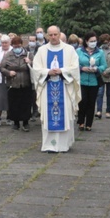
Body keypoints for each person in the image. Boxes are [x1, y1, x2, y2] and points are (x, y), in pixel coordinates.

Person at [32, 25, 81, 153]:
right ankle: (49, 145)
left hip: (64, 89)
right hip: (47, 87)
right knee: (49, 117)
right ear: (47, 36)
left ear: (60, 35)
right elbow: (36, 70)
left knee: (65, 116)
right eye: (51, 35)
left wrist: (62, 71)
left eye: (55, 34)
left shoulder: (69, 50)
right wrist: (48, 72)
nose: (53, 37)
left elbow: (75, 68)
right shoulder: (42, 50)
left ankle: (64, 145)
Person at [0, 35, 32, 131]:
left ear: (22, 45)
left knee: (26, 103)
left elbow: (36, 66)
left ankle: (26, 122)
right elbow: (1, 67)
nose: (17, 48)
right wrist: (8, 73)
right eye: (15, 46)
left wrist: (29, 62)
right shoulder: (8, 55)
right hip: (13, 83)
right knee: (14, 104)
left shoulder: (28, 54)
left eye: (19, 46)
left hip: (26, 83)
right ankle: (16, 122)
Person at [76, 31, 106, 131]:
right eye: (91, 41)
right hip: (82, 80)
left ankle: (89, 124)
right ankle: (81, 122)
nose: (93, 43)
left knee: (91, 102)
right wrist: (81, 68)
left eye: (95, 41)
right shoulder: (79, 51)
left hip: (94, 81)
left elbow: (104, 65)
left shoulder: (100, 52)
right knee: (82, 101)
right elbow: (74, 64)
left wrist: (97, 69)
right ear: (86, 41)